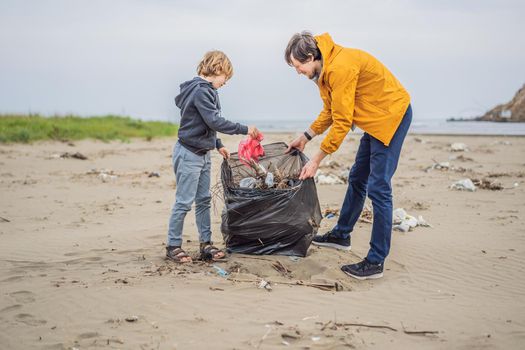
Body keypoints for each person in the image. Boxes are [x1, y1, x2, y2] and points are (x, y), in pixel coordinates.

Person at [285, 32, 412, 280]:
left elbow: (342, 122)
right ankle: (341, 235)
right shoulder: (325, 68)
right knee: (357, 177)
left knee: (379, 188)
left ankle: (375, 262)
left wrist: (316, 159)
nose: (298, 72)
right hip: (374, 119)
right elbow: (331, 111)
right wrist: (305, 137)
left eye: (298, 66)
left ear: (310, 57)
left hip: (391, 116)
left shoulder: (339, 68)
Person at [166, 50, 259, 263]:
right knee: (184, 201)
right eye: (225, 77)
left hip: (203, 153)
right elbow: (215, 121)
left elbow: (206, 122)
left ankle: (205, 244)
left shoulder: (206, 91)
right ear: (217, 69)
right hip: (189, 153)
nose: (226, 82)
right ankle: (173, 245)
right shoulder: (200, 91)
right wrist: (245, 129)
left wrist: (217, 144)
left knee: (204, 200)